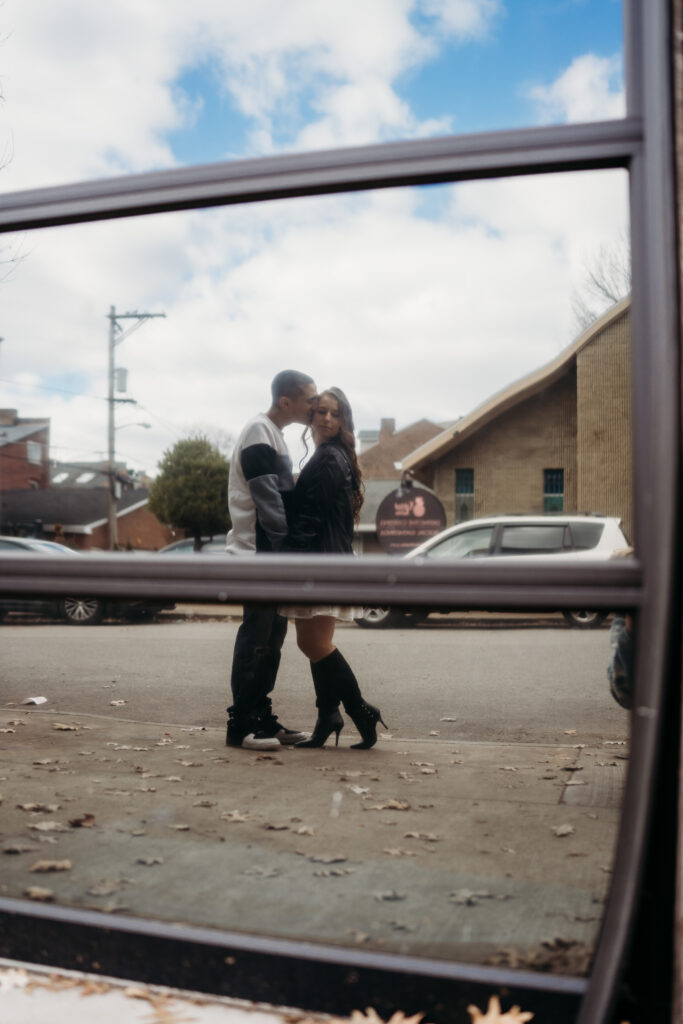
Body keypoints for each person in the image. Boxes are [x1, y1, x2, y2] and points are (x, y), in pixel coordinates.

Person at [281, 387, 387, 749]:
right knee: (317, 643)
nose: (327, 419)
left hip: (318, 561)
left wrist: (287, 561)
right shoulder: (334, 455)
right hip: (330, 557)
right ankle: (328, 715)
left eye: (335, 413)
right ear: (311, 415)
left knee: (312, 643)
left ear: (344, 420)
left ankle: (360, 710)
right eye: (322, 411)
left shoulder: (328, 458)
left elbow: (310, 518)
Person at [225, 369, 317, 750]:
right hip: (257, 556)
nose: (315, 406)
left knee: (272, 640)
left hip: (272, 556)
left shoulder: (274, 434)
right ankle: (241, 726)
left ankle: (261, 717)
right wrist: (289, 552)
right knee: (256, 638)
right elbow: (268, 503)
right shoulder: (258, 432)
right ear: (286, 401)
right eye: (310, 400)